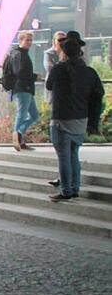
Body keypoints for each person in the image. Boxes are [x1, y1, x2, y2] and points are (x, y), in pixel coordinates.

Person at [46, 31, 105, 202]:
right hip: (81, 119)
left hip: (61, 119)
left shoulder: (58, 69)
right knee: (73, 155)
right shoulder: (90, 72)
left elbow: (49, 85)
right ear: (80, 52)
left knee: (63, 157)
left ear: (64, 52)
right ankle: (75, 188)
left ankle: (66, 190)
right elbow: (98, 93)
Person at [5, 31, 39, 151]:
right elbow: (20, 72)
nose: (29, 42)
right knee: (22, 113)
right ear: (20, 40)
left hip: (26, 88)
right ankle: (17, 137)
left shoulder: (20, 54)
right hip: (22, 88)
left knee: (34, 115)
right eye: (27, 40)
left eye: (30, 40)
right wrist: (34, 76)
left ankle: (19, 133)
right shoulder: (19, 55)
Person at [43, 31, 66, 104]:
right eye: (59, 40)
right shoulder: (48, 53)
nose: (61, 42)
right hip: (53, 84)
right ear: (54, 41)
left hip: (65, 86)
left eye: (63, 40)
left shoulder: (67, 53)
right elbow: (49, 68)